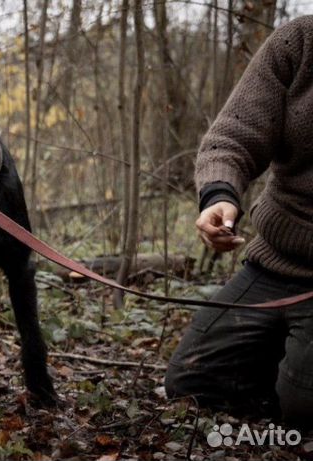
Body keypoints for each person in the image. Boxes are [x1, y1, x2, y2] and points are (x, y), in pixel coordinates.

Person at [165, 15, 313, 425]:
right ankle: (285, 354)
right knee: (192, 380)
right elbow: (234, 134)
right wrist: (219, 194)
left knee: (300, 410)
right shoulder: (299, 41)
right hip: (275, 263)